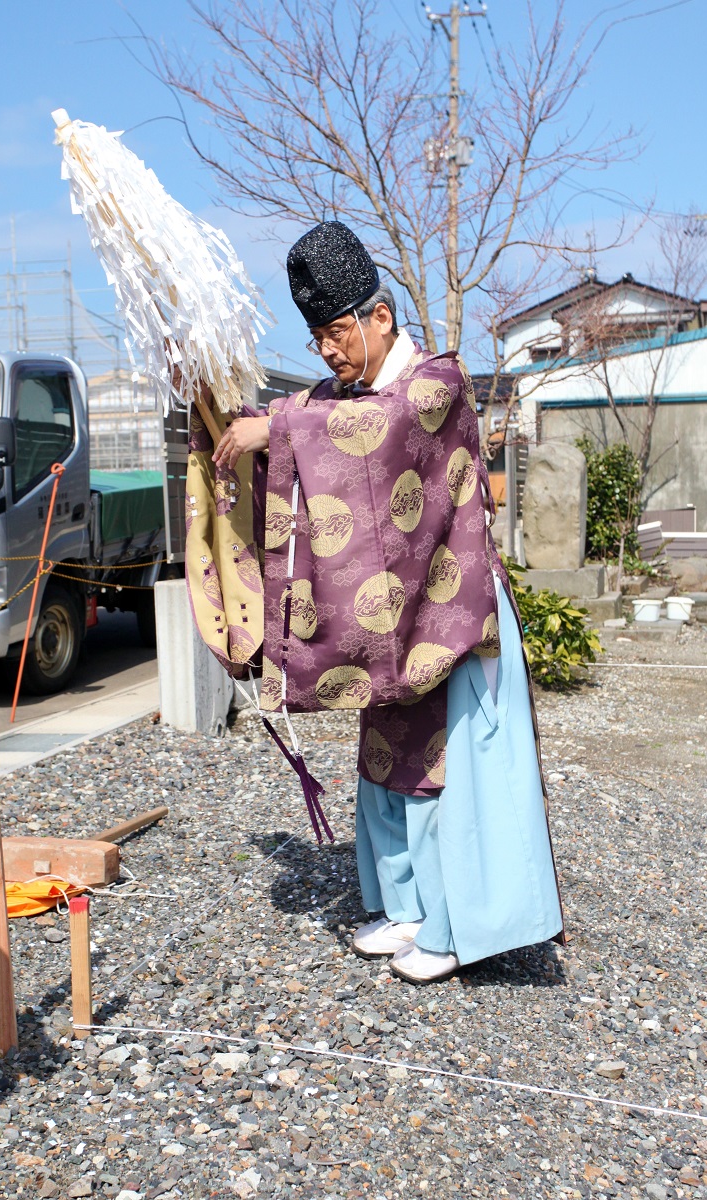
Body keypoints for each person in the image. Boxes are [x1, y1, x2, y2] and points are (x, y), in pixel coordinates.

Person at [214, 221, 563, 984]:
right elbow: (323, 422)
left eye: (338, 331)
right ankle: (405, 906)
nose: (331, 351)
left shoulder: (438, 381)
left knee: (452, 772)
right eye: (318, 338)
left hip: (454, 615)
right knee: (387, 760)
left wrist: (272, 425)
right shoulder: (342, 394)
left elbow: (378, 429)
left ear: (381, 316)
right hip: (393, 621)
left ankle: (459, 925)